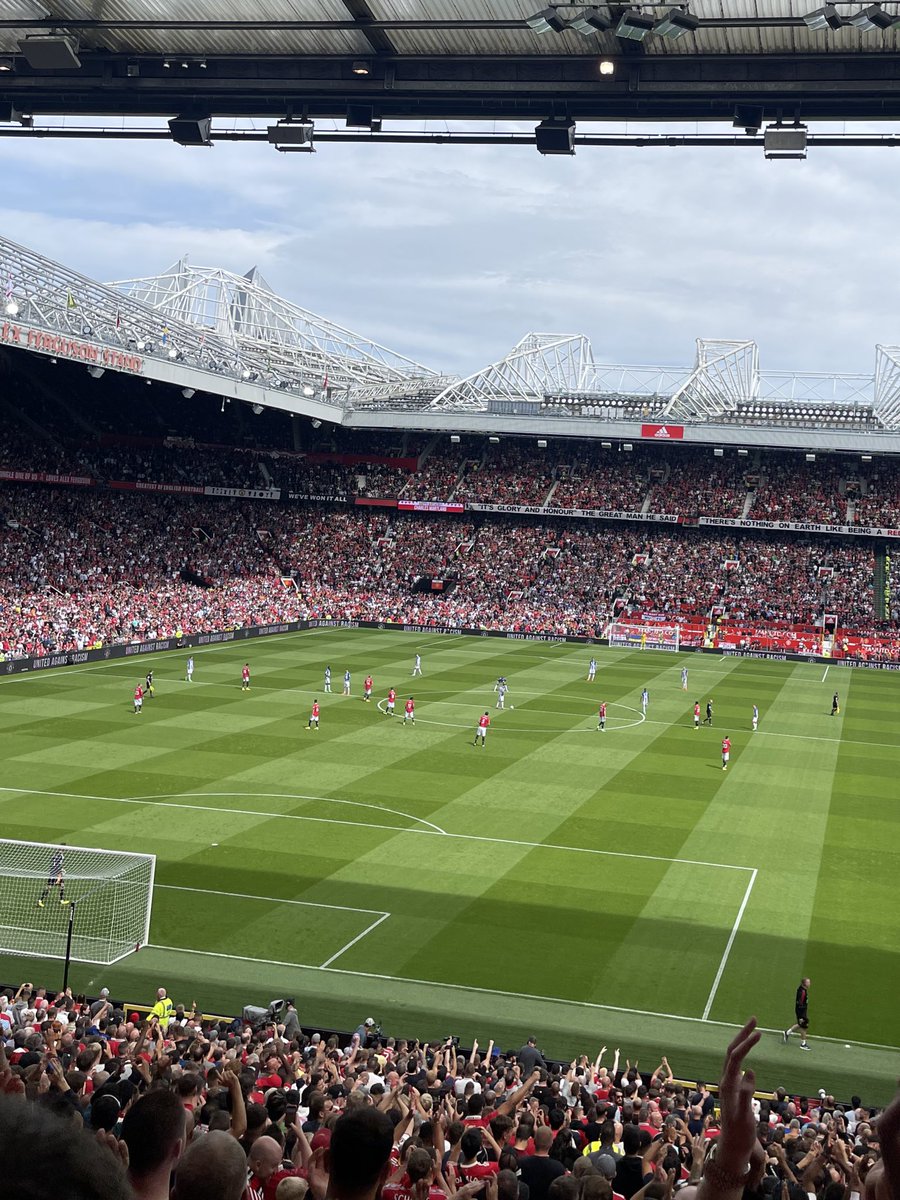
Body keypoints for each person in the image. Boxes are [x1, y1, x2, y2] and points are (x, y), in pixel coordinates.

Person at [782, 977, 811, 1051]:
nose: (809, 983)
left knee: (800, 1024)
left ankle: (787, 1033)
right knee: (803, 1027)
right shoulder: (802, 992)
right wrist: (801, 1016)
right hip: (801, 1012)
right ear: (804, 984)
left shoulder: (802, 990)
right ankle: (803, 1044)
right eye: (808, 982)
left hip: (802, 1011)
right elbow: (800, 1004)